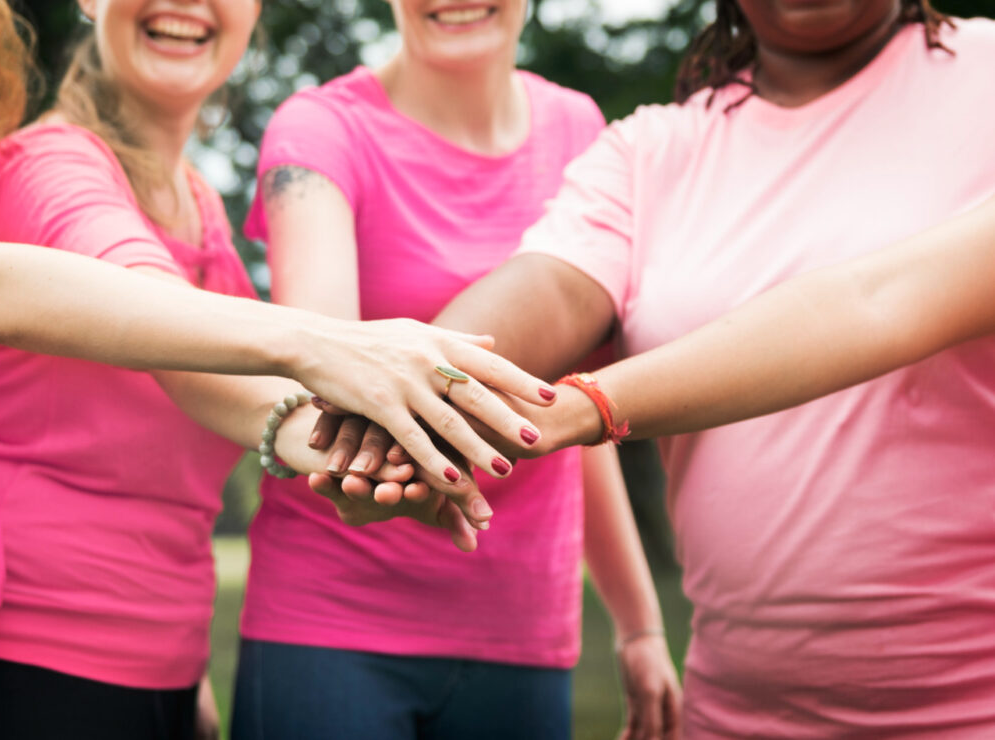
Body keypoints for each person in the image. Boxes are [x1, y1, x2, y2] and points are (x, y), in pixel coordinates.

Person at [0, 1, 553, 737]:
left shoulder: (200, 202)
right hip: (34, 661)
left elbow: (204, 398)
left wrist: (354, 448)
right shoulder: (46, 166)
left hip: (151, 662)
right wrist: (327, 358)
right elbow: (132, 317)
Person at [365, 0, 995, 735]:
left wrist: (587, 405)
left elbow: (876, 304)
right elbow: (551, 286)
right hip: (734, 711)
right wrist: (393, 402)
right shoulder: (653, 149)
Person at [234, 1, 681, 738]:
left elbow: (564, 407)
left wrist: (638, 624)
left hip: (522, 627)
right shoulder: (318, 131)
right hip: (330, 623)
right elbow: (323, 371)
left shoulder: (580, 129)